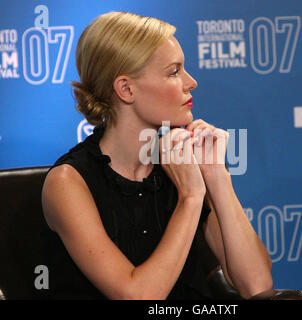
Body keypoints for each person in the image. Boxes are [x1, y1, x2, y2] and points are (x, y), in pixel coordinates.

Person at [41, 11, 273, 300]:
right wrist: (190, 197)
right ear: (126, 89)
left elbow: (258, 287)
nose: (191, 82)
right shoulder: (68, 182)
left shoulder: (187, 163)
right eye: (174, 71)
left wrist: (216, 175)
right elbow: (138, 297)